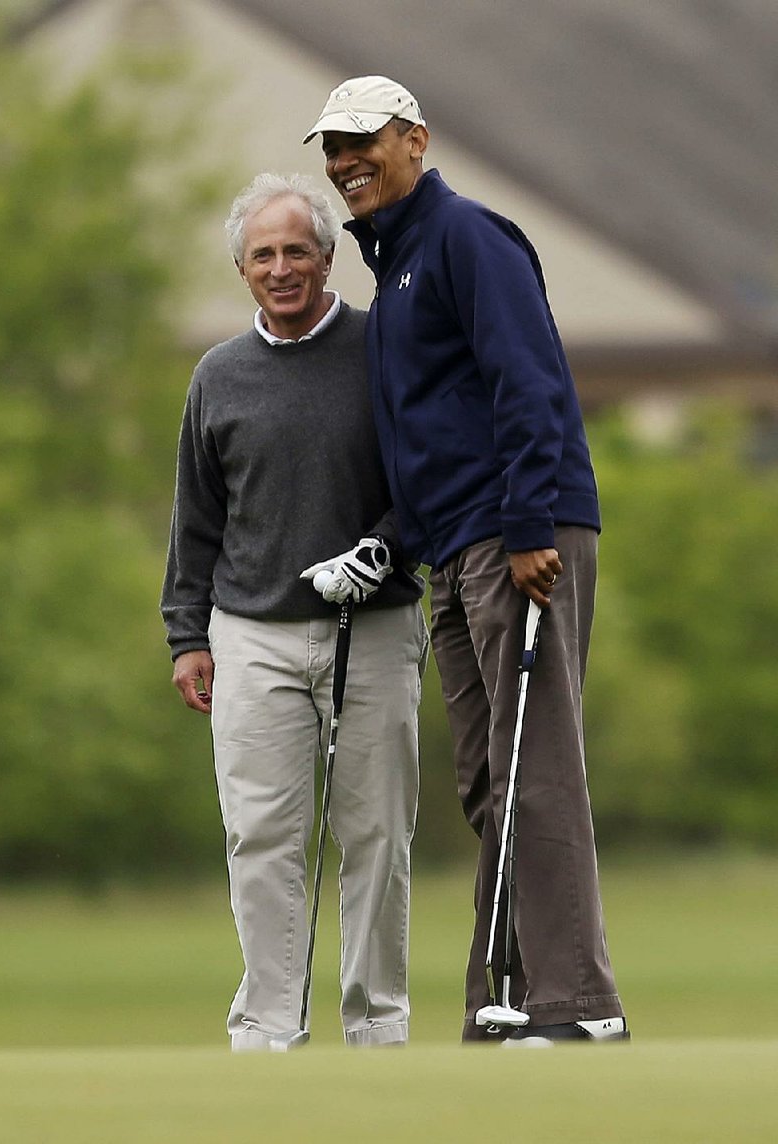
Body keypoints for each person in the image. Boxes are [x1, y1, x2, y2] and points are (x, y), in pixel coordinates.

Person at [303, 77, 628, 1045]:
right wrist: (388, 542)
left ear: (414, 140)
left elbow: (527, 382)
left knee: (538, 770)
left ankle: (578, 1005)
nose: (343, 160)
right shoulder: (396, 268)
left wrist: (529, 523)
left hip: (518, 535)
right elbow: (437, 433)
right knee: (490, 778)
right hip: (456, 546)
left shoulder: (466, 237)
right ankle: (508, 998)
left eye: (362, 140)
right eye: (331, 146)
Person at [160, 172, 427, 1050]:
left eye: (296, 251)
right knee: (263, 836)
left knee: (376, 832)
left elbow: (427, 475)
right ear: (242, 268)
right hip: (250, 634)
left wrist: (382, 548)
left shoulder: (382, 346)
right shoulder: (219, 375)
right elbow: (197, 518)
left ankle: (376, 1024)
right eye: (263, 255)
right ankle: (269, 1031)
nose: (282, 268)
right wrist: (187, 634)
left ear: (326, 255)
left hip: (375, 626)